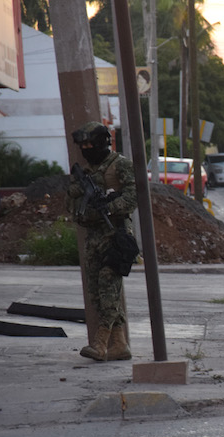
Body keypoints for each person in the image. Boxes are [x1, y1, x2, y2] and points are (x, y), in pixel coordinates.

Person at [67, 121, 138, 362]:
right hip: (94, 236)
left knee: (109, 287)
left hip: (116, 234)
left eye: (90, 144)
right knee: (97, 292)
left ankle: (101, 342)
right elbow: (72, 204)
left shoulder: (121, 165)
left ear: (101, 143)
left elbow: (133, 197)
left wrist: (107, 207)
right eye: (83, 145)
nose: (86, 148)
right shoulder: (85, 172)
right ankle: (119, 344)